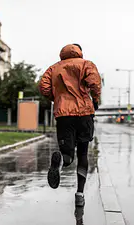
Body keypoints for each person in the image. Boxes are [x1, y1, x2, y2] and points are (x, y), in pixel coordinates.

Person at [39, 44, 101, 207]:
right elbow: (94, 83)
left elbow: (43, 87)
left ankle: (61, 162)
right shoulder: (86, 64)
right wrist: (95, 100)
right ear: (80, 52)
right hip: (84, 114)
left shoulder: (53, 69)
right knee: (83, 154)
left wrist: (58, 97)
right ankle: (80, 194)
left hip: (64, 115)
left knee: (67, 153)